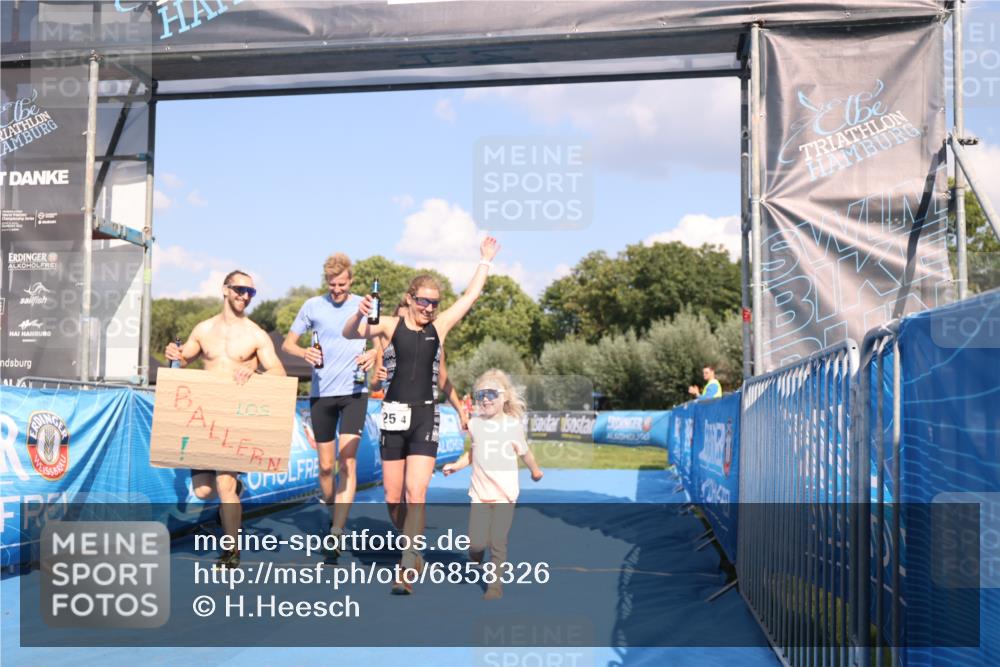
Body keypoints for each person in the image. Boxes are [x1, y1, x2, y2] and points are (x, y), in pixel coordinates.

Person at [343, 236, 500, 594]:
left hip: (425, 417)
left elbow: (469, 297)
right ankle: (412, 546)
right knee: (392, 497)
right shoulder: (389, 325)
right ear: (411, 299)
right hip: (393, 416)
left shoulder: (438, 328)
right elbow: (350, 332)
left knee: (416, 494)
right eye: (424, 301)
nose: (429, 307)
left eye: (434, 303)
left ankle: (406, 564)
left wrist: (485, 261)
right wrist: (358, 313)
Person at [164, 270, 286, 569]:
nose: (245, 296)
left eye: (251, 292)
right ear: (225, 290)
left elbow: (279, 373)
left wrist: (255, 372)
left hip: (235, 417)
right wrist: (173, 353)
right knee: (205, 490)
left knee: (225, 485)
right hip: (204, 418)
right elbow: (183, 357)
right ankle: (236, 496)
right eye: (240, 290)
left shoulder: (256, 334)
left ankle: (230, 551)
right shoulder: (204, 329)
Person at [282, 253, 375, 555]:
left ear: (351, 281)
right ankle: (332, 504)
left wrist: (374, 355)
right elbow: (288, 344)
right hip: (321, 394)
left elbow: (384, 339)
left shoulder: (364, 304)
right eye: (332, 284)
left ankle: (336, 529)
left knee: (347, 462)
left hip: (354, 392)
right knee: (325, 468)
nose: (337, 290)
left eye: (342, 284)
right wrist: (302, 354)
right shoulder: (312, 306)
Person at [443, 368, 543, 600]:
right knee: (476, 545)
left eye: (491, 393)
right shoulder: (475, 425)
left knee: (498, 540)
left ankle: (494, 585)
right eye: (481, 395)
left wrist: (535, 471)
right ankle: (476, 555)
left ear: (504, 397)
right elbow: (472, 454)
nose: (486, 398)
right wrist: (456, 466)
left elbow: (525, 453)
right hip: (480, 493)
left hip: (505, 494)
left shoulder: (512, 425)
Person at [371, 299, 469, 431]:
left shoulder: (433, 344)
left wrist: (460, 411)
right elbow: (375, 386)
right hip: (394, 411)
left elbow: (443, 382)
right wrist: (379, 379)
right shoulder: (384, 347)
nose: (403, 323)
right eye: (399, 318)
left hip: (423, 412)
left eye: (407, 319)